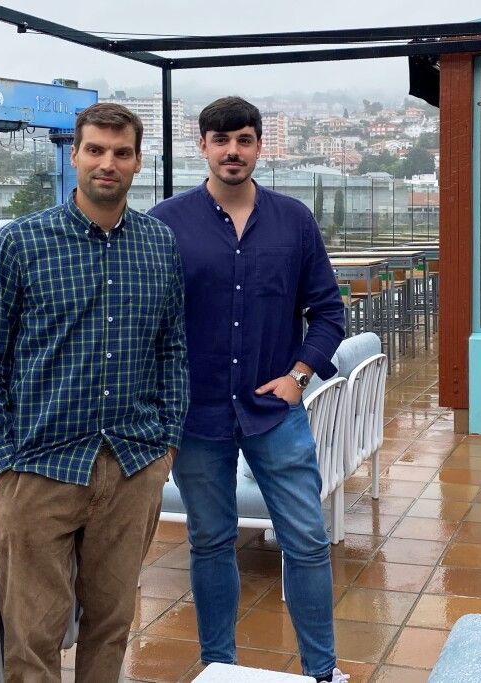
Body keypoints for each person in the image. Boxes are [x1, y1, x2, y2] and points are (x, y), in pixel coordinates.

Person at [0, 102, 188, 682]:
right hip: (38, 470)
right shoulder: (21, 243)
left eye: (120, 152)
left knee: (111, 627)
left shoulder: (159, 246)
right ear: (75, 156)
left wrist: (165, 447)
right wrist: (3, 462)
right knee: (31, 639)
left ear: (138, 162)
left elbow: (172, 351)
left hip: (133, 465)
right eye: (95, 150)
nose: (106, 163)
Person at [149, 96, 347, 682]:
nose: (232, 151)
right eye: (220, 139)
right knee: (210, 543)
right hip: (197, 416)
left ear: (260, 145)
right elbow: (148, 320)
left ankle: (323, 673)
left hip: (274, 412)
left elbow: (329, 311)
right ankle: (219, 668)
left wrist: (299, 376)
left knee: (308, 541)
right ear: (202, 146)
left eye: (243, 139)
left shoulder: (294, 221)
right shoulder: (166, 223)